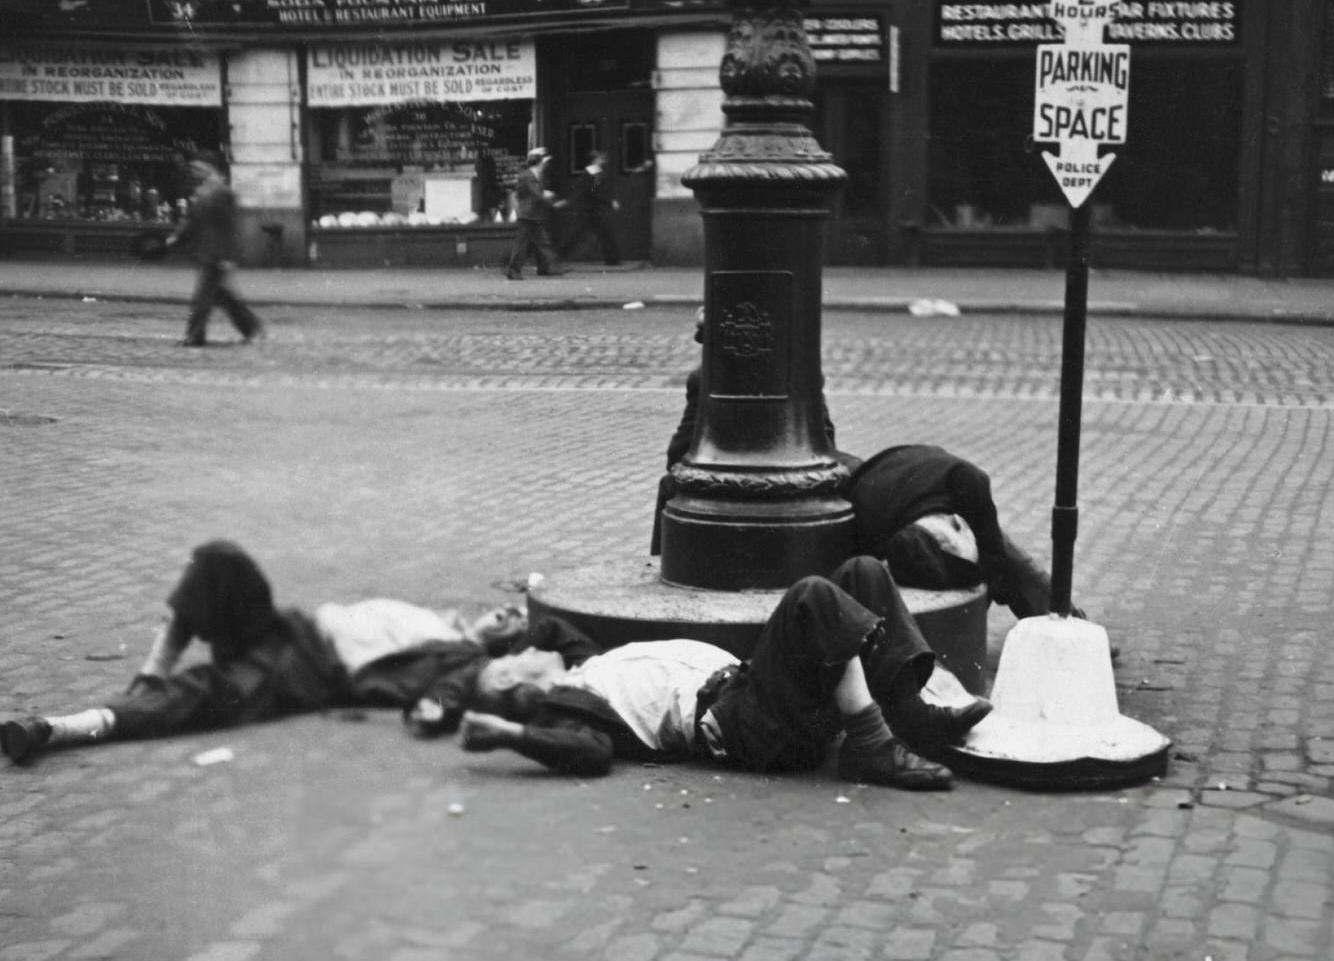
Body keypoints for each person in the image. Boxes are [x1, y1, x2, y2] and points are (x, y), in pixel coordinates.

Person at [0, 541, 588, 766]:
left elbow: (445, 699)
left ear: (506, 666)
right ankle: (146, 677)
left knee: (201, 696)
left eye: (514, 638)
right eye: (506, 612)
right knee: (220, 561)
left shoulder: (462, 666)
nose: (506, 617)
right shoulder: (444, 625)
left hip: (304, 670)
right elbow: (549, 630)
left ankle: (62, 728)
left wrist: (581, 670)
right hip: (290, 628)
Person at [457, 556, 993, 791]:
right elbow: (588, 756)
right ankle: (871, 745)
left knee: (862, 572)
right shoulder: (575, 708)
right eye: (509, 659)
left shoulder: (582, 664)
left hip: (754, 691)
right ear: (513, 683)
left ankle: (910, 717)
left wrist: (485, 650)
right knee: (812, 597)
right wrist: (510, 734)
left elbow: (547, 630)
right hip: (747, 726)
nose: (522, 647)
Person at [650, 307, 858, 553]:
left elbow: (678, 450)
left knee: (671, 485)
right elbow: (825, 438)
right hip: (801, 483)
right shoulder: (805, 373)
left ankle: (666, 559)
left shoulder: (704, 377)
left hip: (726, 485)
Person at [845, 442, 1079, 621]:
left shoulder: (968, 482)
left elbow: (995, 558)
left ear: (957, 521)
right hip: (887, 487)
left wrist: (972, 614)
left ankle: (1067, 620)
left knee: (1008, 556)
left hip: (925, 471)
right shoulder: (871, 520)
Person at [167, 150, 262, 348]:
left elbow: (229, 226)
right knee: (221, 296)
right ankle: (251, 326)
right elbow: (193, 220)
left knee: (202, 297)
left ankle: (195, 336)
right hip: (204, 251)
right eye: (192, 168)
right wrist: (176, 237)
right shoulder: (201, 191)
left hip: (217, 253)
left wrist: (228, 256)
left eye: (197, 167)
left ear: (209, 168)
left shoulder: (222, 192)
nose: (193, 171)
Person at [504, 148, 565, 280]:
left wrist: (547, 196)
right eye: (543, 162)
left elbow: (537, 192)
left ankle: (550, 266)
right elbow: (536, 194)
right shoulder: (528, 176)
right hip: (527, 215)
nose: (545, 165)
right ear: (538, 163)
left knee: (542, 241)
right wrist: (552, 202)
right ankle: (513, 270)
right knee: (523, 244)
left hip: (534, 214)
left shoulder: (534, 175)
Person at [567, 151, 624, 268]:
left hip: (591, 209)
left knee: (601, 233)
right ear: (594, 160)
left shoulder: (594, 173)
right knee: (599, 233)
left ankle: (612, 259)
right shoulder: (594, 174)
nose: (603, 160)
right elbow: (594, 191)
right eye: (600, 158)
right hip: (591, 210)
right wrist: (610, 202)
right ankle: (612, 259)